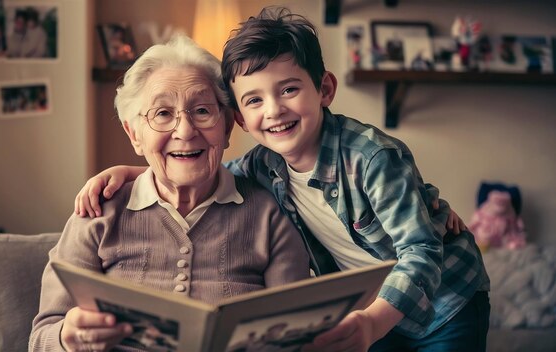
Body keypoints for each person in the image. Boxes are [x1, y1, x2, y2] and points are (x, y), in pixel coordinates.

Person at [74, 7, 490, 352]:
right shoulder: (263, 165)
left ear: (325, 89)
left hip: (443, 304)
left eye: (289, 89)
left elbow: (419, 251)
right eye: (254, 99)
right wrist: (137, 171)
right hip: (371, 308)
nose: (273, 110)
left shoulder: (372, 157)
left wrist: (370, 324)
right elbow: (201, 171)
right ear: (239, 115)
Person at [29, 35, 311, 352]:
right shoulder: (98, 212)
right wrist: (68, 337)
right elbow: (41, 338)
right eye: (163, 114)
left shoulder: (269, 214)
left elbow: (297, 335)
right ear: (134, 134)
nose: (185, 131)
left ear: (227, 127)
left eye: (202, 110)